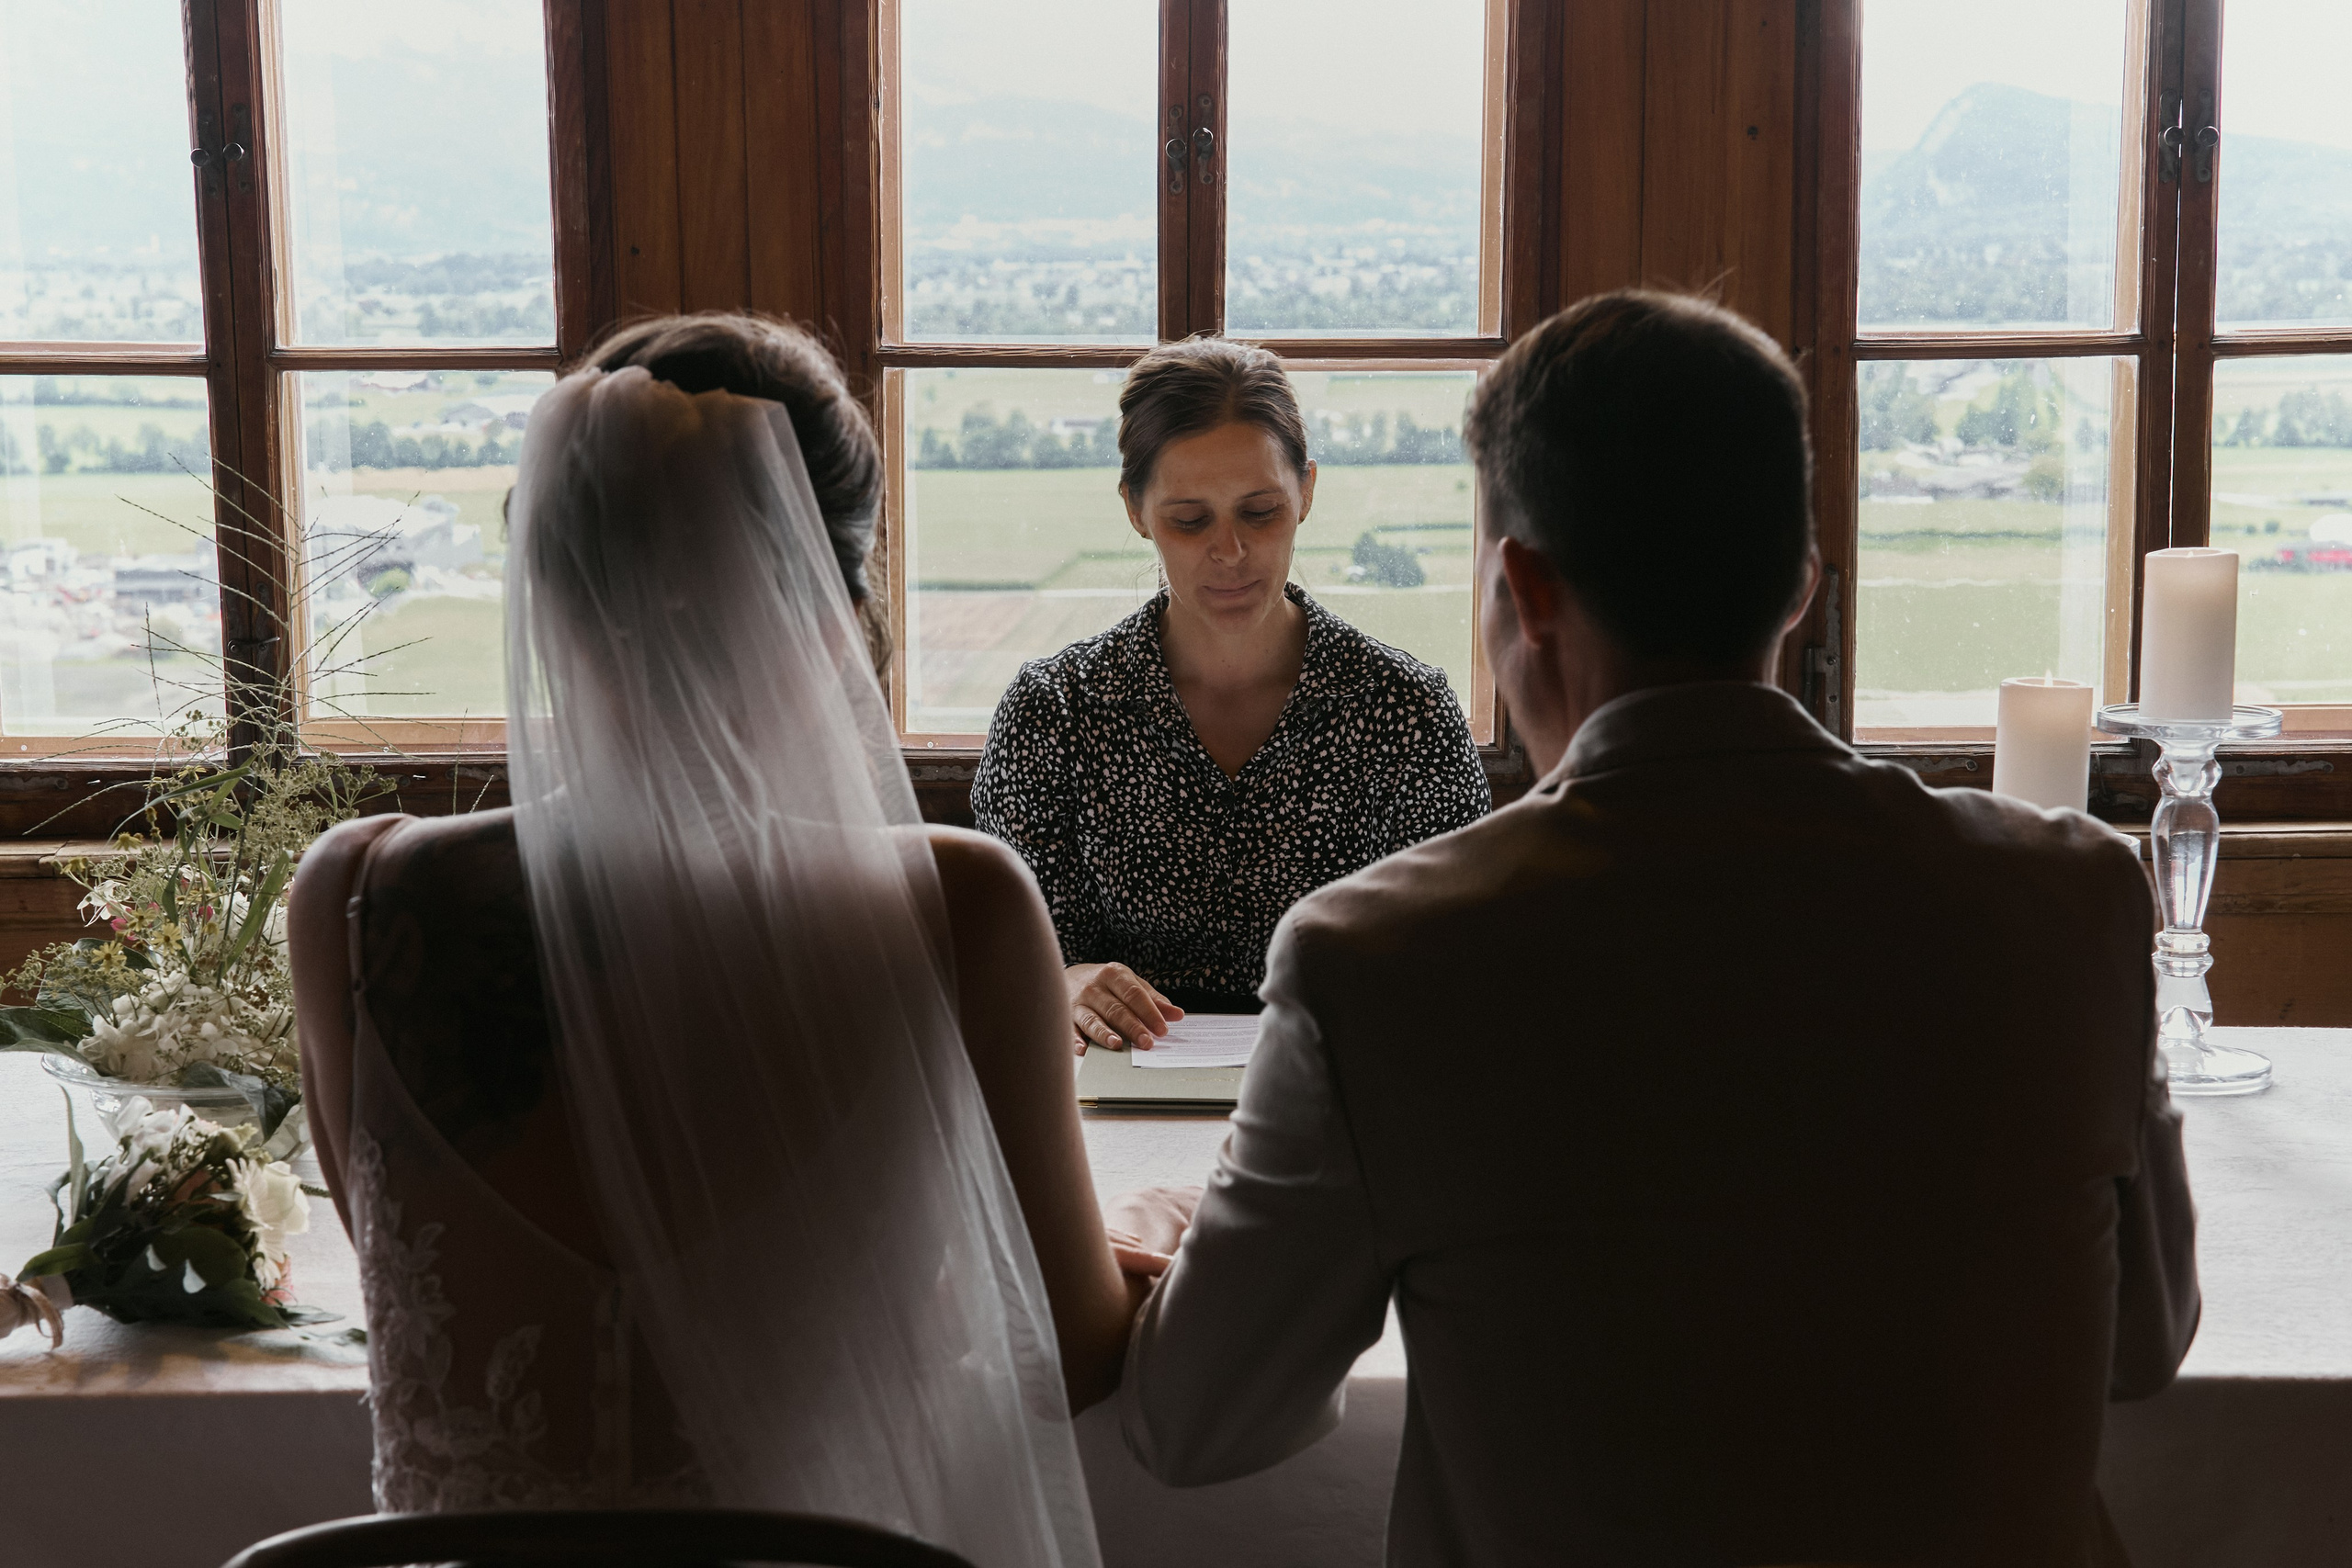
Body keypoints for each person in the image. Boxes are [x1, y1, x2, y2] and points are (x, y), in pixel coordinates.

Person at [1107, 292, 2199, 1566]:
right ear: (1798, 582)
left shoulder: (1384, 963)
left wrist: (1188, 1229)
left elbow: (1200, 1423)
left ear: (1521, 586)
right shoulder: (2073, 900)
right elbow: (2145, 1339)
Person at [288, 314, 1163, 1565]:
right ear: (831, 599)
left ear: (546, 585)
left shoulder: (353, 900)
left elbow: (407, 1284)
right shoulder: (955, 910)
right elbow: (1070, 1359)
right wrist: (1164, 1228)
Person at [972, 336, 1489, 1054]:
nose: (1231, 552)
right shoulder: (1053, 714)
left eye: (1260, 511)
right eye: (1190, 520)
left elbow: (1457, 963)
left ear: (1307, 490)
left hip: (1346, 1093)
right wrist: (1062, 980)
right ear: (1134, 508)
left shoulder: (1407, 712)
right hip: (1112, 1094)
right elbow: (1008, 962)